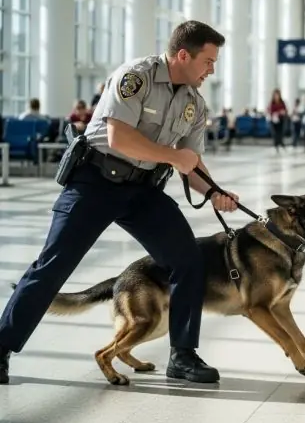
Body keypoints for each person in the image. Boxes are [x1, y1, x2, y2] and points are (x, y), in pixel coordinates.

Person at [0, 20, 238, 386]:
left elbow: (191, 162)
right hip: (96, 182)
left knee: (188, 260)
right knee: (53, 265)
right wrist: (174, 157)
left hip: (144, 190)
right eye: (208, 61)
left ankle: (183, 355)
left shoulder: (194, 103)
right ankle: (2, 346)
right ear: (183, 55)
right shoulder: (136, 77)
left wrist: (214, 192)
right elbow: (119, 138)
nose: (212, 70)